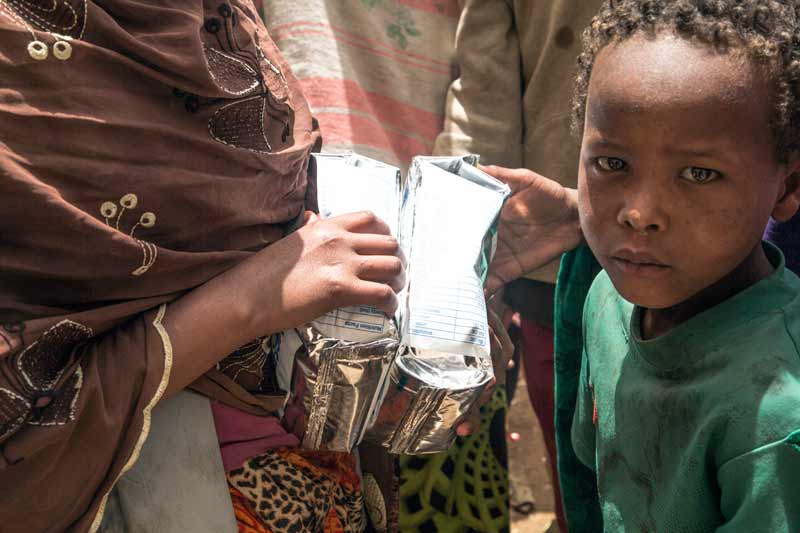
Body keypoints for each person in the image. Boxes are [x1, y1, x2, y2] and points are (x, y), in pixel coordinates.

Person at [0, 2, 409, 531]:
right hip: (138, 493)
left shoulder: (216, 17)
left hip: (312, 486)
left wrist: (450, 266)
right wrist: (253, 299)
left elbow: (291, 238)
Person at [569, 0, 800, 529]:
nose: (639, 214)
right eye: (611, 163)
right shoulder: (605, 297)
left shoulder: (779, 421)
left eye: (698, 174)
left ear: (787, 187)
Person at [434, 2, 602, 530]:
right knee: (580, 480)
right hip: (558, 273)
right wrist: (455, 268)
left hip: (728, 269)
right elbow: (483, 101)